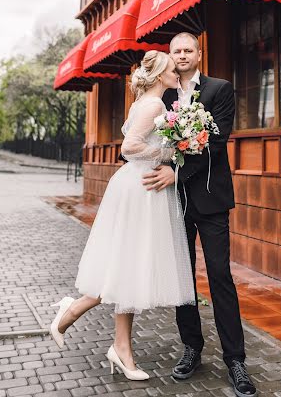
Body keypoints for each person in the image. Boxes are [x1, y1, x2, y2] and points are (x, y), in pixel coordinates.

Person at [50, 50, 195, 381]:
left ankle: (120, 347)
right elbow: (129, 147)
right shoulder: (155, 105)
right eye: (173, 70)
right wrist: (170, 151)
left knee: (128, 268)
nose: (177, 73)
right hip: (141, 188)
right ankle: (70, 313)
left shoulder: (144, 102)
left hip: (139, 187)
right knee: (125, 266)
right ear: (160, 76)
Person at [142, 33, 257, 397]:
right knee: (182, 279)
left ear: (199, 54)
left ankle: (235, 360)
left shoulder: (220, 89)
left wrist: (177, 170)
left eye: (187, 50)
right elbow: (148, 137)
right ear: (170, 56)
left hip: (211, 200)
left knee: (220, 276)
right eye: (176, 51)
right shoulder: (163, 94)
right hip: (172, 202)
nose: (181, 55)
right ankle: (191, 347)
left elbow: (216, 141)